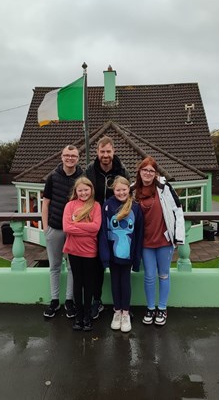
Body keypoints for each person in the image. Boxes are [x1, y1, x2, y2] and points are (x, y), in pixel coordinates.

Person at [133, 156, 185, 326]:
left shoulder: (164, 188)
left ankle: (162, 308)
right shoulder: (134, 190)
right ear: (139, 172)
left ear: (155, 174)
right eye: (144, 170)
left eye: (151, 171)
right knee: (149, 276)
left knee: (163, 275)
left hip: (164, 239)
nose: (147, 173)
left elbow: (177, 210)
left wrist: (178, 236)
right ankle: (150, 308)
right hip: (145, 242)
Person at [85, 136, 130, 319]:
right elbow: (85, 194)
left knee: (119, 263)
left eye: (108, 151)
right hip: (95, 224)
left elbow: (127, 194)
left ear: (113, 151)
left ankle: (123, 307)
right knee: (96, 265)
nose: (105, 155)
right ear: (97, 152)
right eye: (102, 152)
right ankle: (97, 301)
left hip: (117, 226)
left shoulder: (122, 170)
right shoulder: (90, 170)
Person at [42, 145, 83, 319]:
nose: (70, 158)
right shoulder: (52, 177)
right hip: (55, 228)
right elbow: (46, 203)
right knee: (55, 267)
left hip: (74, 231)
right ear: (62, 157)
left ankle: (69, 300)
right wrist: (46, 228)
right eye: (67, 155)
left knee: (73, 267)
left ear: (78, 158)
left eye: (73, 156)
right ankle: (54, 300)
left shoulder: (82, 177)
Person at [99, 176, 143, 333]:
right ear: (113, 190)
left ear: (128, 190)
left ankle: (125, 313)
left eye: (124, 189)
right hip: (112, 254)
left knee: (125, 283)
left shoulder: (136, 207)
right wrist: (104, 256)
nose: (121, 192)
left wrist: (136, 258)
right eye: (118, 190)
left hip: (128, 255)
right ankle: (117, 311)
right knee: (114, 283)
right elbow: (103, 232)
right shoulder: (107, 205)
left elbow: (139, 234)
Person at [63, 177, 102, 331]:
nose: (84, 193)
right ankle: (78, 316)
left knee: (89, 284)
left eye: (86, 189)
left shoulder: (96, 206)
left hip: (90, 251)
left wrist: (76, 224)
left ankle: (87, 316)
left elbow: (96, 227)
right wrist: (86, 228)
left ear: (91, 190)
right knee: (77, 283)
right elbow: (67, 228)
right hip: (73, 250)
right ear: (76, 191)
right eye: (80, 190)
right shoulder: (70, 205)